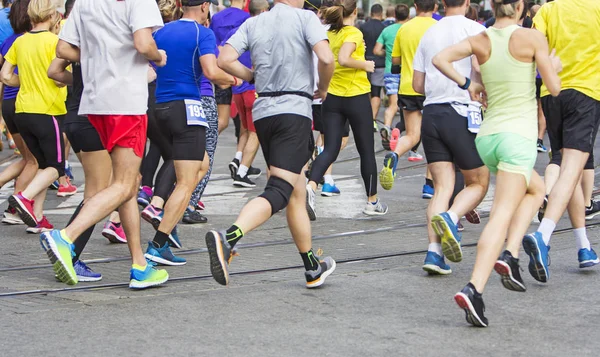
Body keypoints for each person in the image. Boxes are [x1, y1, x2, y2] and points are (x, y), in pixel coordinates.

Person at [433, 0, 562, 327]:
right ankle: (475, 287)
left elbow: (440, 59)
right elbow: (554, 88)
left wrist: (470, 85)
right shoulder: (532, 39)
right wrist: (553, 65)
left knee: (537, 189)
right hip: (517, 137)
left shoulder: (481, 38)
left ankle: (513, 254)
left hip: (488, 138)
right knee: (501, 214)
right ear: (521, 7)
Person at [40, 0, 169, 289]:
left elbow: (63, 49)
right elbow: (142, 42)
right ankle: (66, 237)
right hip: (126, 100)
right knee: (124, 184)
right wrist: (158, 56)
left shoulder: (85, 1)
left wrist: (99, 58)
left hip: (96, 101)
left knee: (127, 182)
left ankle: (140, 265)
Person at [211, 0, 337, 288]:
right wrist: (324, 87)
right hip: (294, 109)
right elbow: (327, 59)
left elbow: (224, 59)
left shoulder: (255, 21)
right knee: (280, 189)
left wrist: (251, 76)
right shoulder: (305, 17)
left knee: (295, 189)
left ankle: (311, 267)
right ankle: (228, 238)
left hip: (264, 111)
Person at [145, 0, 243, 265]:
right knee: (187, 182)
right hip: (187, 107)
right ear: (204, 6)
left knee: (202, 163)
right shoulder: (203, 32)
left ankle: (163, 215)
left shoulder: (162, 31)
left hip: (159, 107)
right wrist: (235, 79)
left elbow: (149, 66)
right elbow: (211, 71)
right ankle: (158, 244)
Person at [523, 0, 600, 280]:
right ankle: (543, 236)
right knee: (571, 170)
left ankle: (583, 246)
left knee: (569, 167)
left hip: (552, 94)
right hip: (586, 93)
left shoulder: (548, 10)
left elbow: (532, 49)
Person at [412, 0, 489, 275]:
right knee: (479, 181)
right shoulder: (475, 29)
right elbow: (480, 71)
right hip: (461, 112)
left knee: (442, 187)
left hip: (431, 114)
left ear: (442, 3)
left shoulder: (428, 33)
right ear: (467, 2)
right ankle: (451, 217)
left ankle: (433, 254)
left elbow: (417, 85)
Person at [306, 0, 388, 220]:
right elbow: (344, 58)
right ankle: (372, 201)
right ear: (355, 11)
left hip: (332, 98)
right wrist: (365, 65)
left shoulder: (329, 34)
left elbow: (326, 62)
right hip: (357, 97)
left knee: (330, 148)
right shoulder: (353, 33)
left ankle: (311, 186)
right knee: (366, 151)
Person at [2, 0, 67, 232]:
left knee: (41, 163)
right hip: (47, 110)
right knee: (57, 167)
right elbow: (59, 78)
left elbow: (5, 74)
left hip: (22, 111)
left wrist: (25, 82)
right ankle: (25, 197)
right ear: (52, 17)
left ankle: (38, 217)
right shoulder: (56, 42)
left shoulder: (20, 41)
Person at [379, 0, 437, 191]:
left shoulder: (404, 29)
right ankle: (429, 185)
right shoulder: (438, 27)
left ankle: (394, 155)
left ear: (415, 5)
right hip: (432, 88)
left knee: (412, 134)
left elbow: (395, 62)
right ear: (435, 7)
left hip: (407, 86)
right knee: (435, 139)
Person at [0, 0, 36, 227]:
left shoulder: (10, 41)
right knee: (35, 161)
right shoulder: (33, 40)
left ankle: (18, 204)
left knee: (28, 159)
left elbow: (2, 72)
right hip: (25, 102)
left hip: (8, 103)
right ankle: (15, 208)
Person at [226, 0, 269, 188]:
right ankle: (242, 171)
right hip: (253, 88)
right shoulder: (263, 31)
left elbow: (222, 53)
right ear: (265, 11)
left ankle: (239, 160)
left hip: (238, 89)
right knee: (255, 132)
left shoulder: (237, 31)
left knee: (246, 128)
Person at [373, 4, 409, 150]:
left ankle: (387, 127)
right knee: (408, 106)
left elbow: (376, 50)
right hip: (407, 72)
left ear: (395, 15)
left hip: (390, 71)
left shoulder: (386, 30)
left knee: (392, 105)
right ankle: (403, 133)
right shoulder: (409, 29)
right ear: (408, 15)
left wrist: (387, 54)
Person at [210, 0, 248, 135]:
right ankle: (239, 152)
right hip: (241, 70)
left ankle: (206, 143)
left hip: (221, 70)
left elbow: (212, 44)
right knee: (245, 121)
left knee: (222, 119)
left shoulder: (216, 18)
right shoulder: (246, 18)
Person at [359, 4, 385, 133]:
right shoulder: (384, 28)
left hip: (364, 62)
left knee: (365, 91)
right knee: (376, 92)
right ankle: (372, 119)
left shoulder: (363, 27)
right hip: (379, 63)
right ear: (381, 13)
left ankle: (364, 118)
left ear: (371, 12)